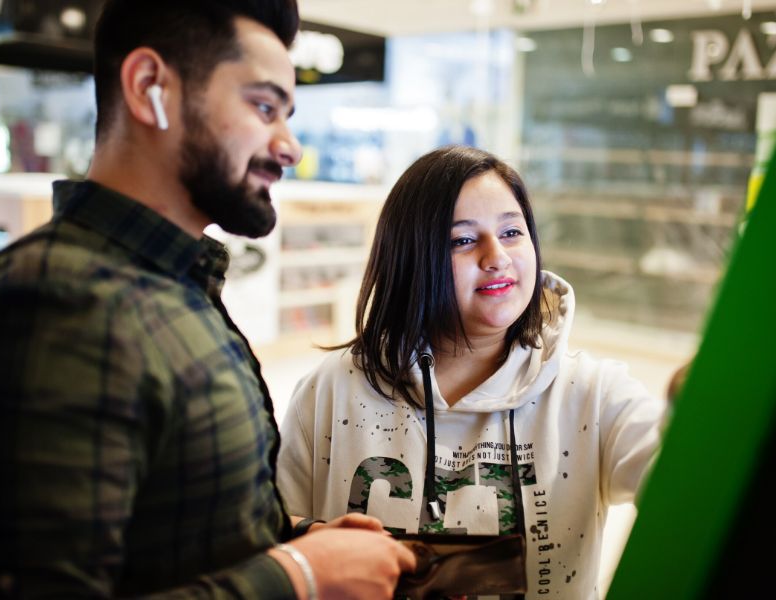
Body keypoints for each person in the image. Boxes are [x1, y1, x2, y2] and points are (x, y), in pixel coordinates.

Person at [0, 1, 414, 597]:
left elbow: (170, 532)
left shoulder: (169, 286)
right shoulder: (51, 308)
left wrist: (293, 541)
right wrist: (300, 578)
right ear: (149, 88)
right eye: (264, 107)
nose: (290, 146)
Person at [277, 145, 667, 599]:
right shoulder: (333, 388)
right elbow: (270, 531)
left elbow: (684, 481)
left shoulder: (594, 395)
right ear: (410, 257)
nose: (496, 256)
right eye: (462, 240)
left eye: (511, 232)